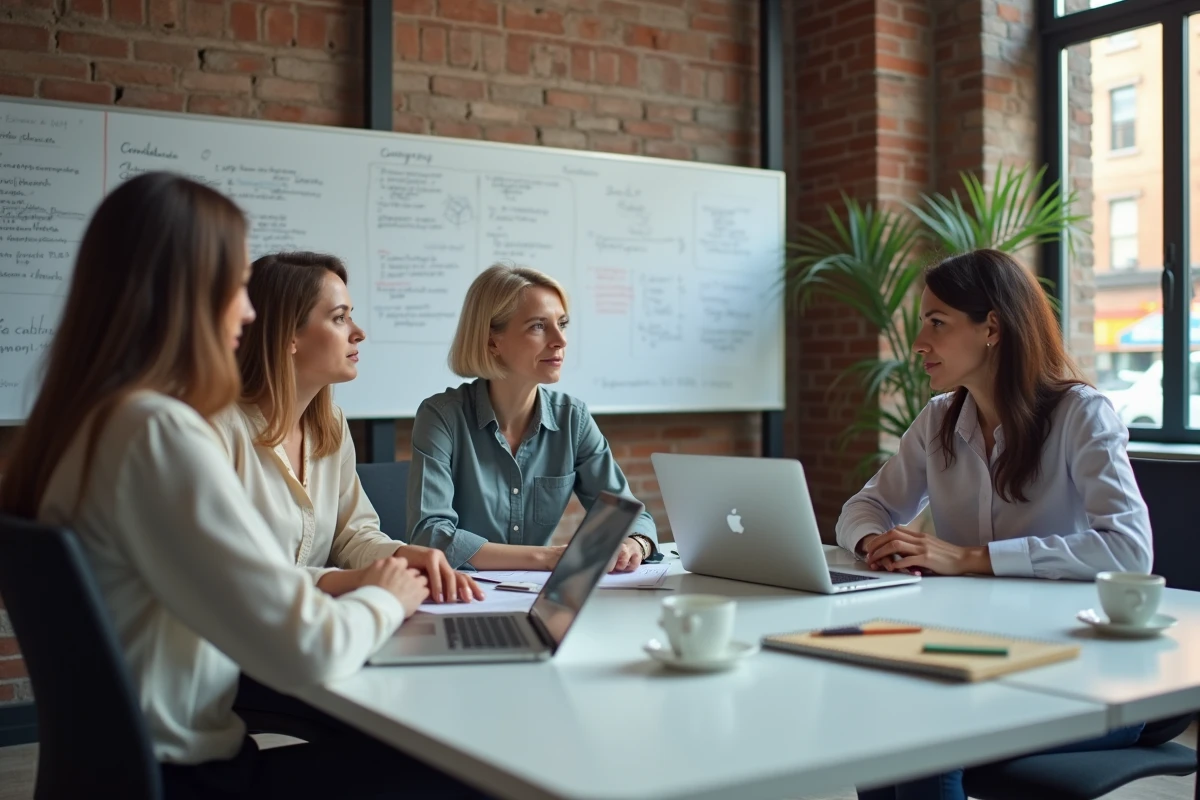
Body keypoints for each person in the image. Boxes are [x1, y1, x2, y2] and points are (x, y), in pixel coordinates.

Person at [0, 173, 481, 799]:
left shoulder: (89, 423)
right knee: (464, 768)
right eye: (233, 287)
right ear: (183, 295)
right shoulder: (157, 431)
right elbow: (308, 647)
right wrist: (387, 596)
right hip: (188, 779)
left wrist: (363, 575)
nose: (249, 311)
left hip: (129, 770)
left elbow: (253, 582)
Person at [835, 248, 1152, 800]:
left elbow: (1129, 551)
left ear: (992, 328)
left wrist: (968, 559)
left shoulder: (1081, 414)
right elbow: (862, 509)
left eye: (937, 322)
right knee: (879, 723)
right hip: (977, 654)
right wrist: (876, 543)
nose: (919, 343)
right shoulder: (939, 419)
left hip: (1087, 673)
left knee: (923, 739)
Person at [213, 251, 483, 606]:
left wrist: (402, 557)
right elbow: (236, 572)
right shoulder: (217, 429)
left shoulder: (330, 423)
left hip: (310, 623)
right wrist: (355, 579)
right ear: (289, 336)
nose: (359, 333)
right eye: (339, 318)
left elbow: (353, 535)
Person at [408, 263, 657, 571]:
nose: (560, 340)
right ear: (492, 341)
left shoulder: (573, 419)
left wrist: (635, 543)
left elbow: (631, 515)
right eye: (538, 326)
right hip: (462, 590)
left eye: (562, 324)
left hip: (538, 592)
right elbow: (430, 535)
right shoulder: (441, 417)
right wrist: (546, 557)